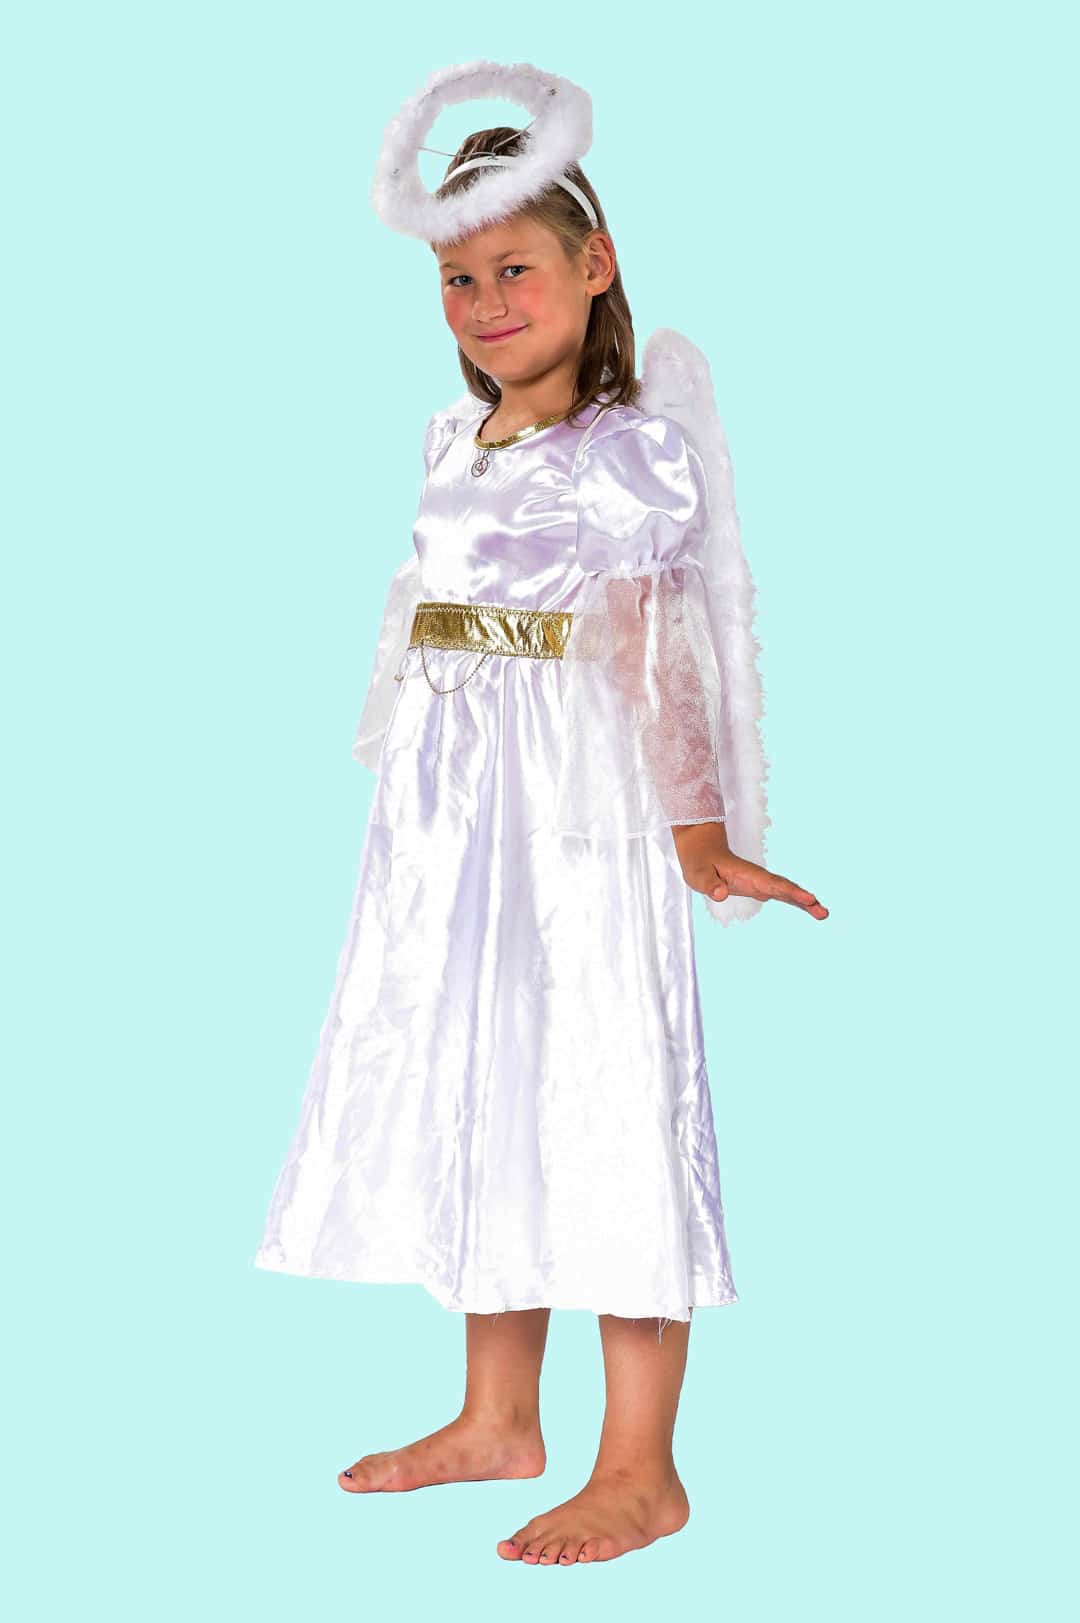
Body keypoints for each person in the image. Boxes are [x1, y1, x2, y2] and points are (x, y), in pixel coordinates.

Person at [254, 65, 827, 1567]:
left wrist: (697, 827)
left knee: (605, 1085)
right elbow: (423, 605)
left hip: (583, 797)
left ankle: (641, 1465)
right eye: (459, 279)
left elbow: (660, 645)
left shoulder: (627, 451)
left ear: (596, 263)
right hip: (456, 810)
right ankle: (498, 1416)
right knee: (482, 1074)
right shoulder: (454, 442)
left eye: (516, 268)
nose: (487, 302)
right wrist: (402, 770)